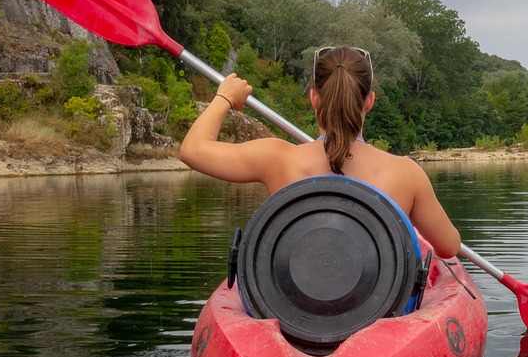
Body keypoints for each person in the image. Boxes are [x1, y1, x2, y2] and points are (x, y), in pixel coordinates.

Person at [179, 45, 462, 258]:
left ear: (314, 98)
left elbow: (192, 150)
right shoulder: (405, 173)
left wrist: (224, 98)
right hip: (378, 312)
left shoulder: (277, 159)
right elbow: (449, 247)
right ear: (370, 101)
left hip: (297, 313)